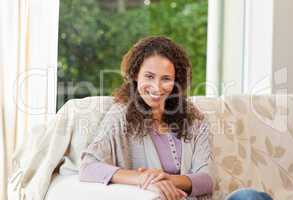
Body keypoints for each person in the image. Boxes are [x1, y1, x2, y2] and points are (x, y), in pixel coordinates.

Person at [79, 36, 273, 200]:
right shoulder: (120, 115)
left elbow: (206, 179)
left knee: (251, 197)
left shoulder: (193, 118)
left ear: (176, 81)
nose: (157, 87)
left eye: (166, 79)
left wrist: (165, 179)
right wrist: (142, 179)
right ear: (135, 75)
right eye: (149, 76)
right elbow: (89, 167)